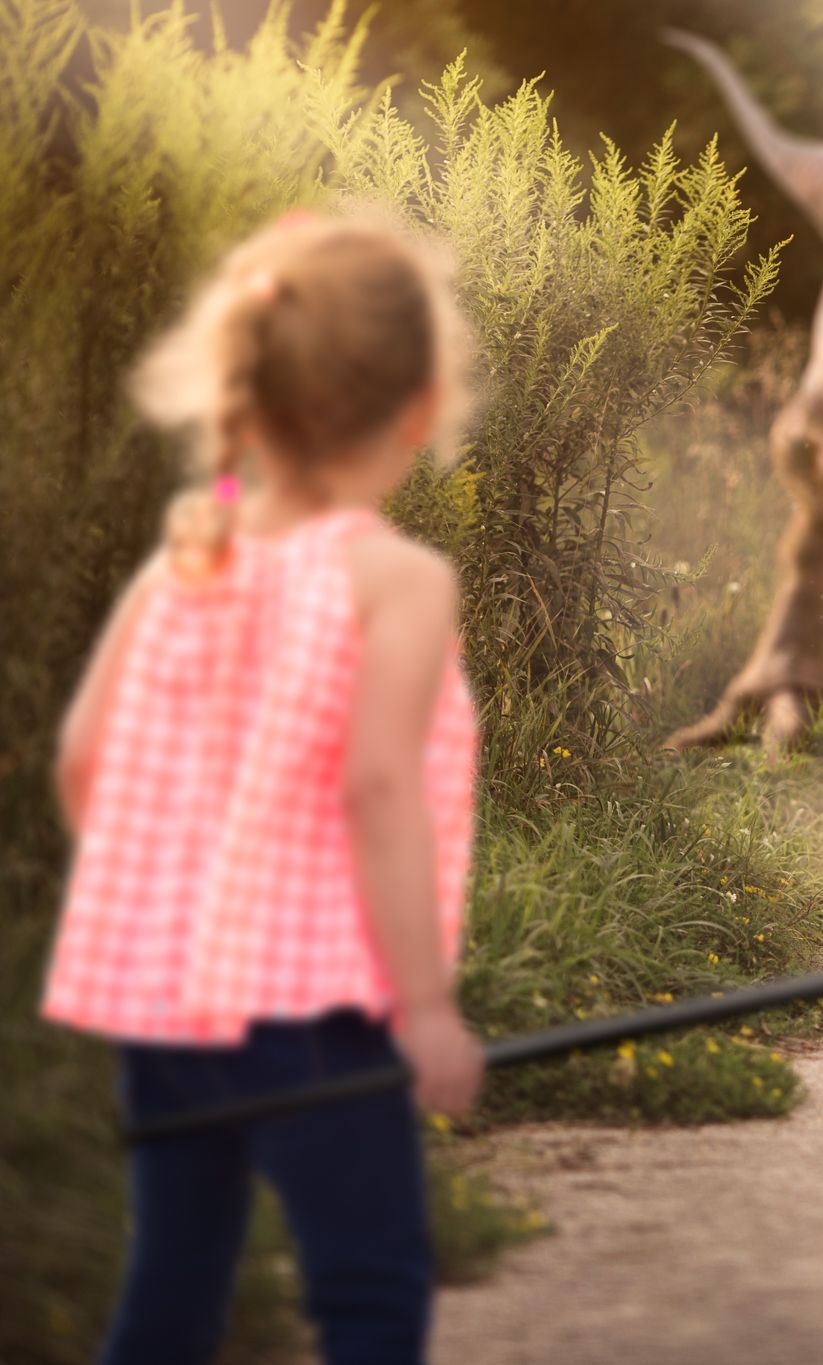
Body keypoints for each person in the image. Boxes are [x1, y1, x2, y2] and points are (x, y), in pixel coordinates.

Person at [40, 208, 485, 1365]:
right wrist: (425, 1009)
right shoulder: (396, 578)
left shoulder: (184, 566)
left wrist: (174, 914)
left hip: (166, 1006)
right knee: (370, 1292)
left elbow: (83, 758)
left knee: (174, 1287)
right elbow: (377, 788)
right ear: (420, 407)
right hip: (319, 1017)